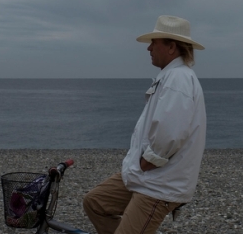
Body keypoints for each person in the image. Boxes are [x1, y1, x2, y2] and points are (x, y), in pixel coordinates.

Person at [83, 15, 207, 234]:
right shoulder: (170, 77)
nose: (148, 48)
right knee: (95, 203)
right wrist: (139, 166)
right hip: (144, 176)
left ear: (171, 47)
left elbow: (170, 133)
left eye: (154, 43)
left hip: (158, 186)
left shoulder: (178, 79)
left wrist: (147, 162)